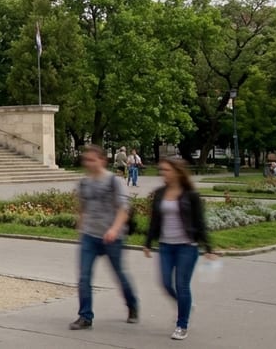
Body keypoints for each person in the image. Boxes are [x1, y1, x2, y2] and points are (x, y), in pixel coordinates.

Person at [144, 157, 217, 341]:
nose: (163, 174)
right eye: (162, 170)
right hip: (166, 245)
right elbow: (154, 220)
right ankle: (186, 304)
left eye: (166, 170)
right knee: (166, 284)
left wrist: (208, 247)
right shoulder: (160, 193)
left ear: (177, 172)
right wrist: (147, 242)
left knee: (182, 285)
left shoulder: (191, 194)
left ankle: (181, 325)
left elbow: (200, 222)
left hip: (187, 246)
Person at [70, 145, 139, 330]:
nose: (88, 163)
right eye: (86, 160)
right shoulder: (84, 183)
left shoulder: (113, 181)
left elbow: (124, 208)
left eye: (92, 159)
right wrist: (81, 224)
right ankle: (85, 316)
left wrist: (114, 230)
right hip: (89, 236)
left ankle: (132, 305)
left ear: (102, 160)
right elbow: (83, 207)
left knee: (119, 275)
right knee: (84, 277)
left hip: (112, 237)